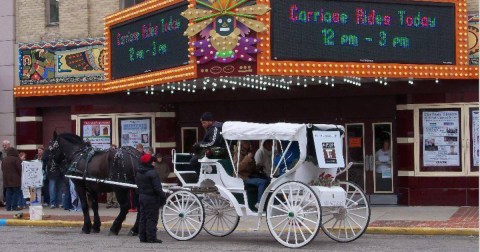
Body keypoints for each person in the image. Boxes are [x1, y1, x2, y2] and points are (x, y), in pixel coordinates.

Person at [135, 153, 166, 243]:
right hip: (151, 198)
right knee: (151, 218)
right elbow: (158, 188)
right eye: (153, 161)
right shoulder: (152, 173)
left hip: (142, 196)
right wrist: (163, 197)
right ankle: (151, 237)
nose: (154, 163)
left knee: (143, 217)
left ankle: (142, 237)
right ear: (149, 163)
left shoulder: (139, 172)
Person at [234, 141, 269, 210]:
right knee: (262, 182)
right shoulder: (237, 153)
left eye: (248, 143)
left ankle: (267, 201)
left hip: (250, 175)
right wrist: (247, 158)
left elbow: (252, 168)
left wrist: (256, 166)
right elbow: (237, 168)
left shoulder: (248, 152)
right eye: (246, 143)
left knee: (268, 178)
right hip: (242, 177)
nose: (248, 144)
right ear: (242, 144)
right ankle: (259, 203)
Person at [2, 147, 22, 211]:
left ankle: (8, 207)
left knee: (8, 193)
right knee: (15, 193)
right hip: (15, 180)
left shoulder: (4, 159)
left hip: (6, 179)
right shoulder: (16, 159)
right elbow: (20, 169)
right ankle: (14, 207)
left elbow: (2, 169)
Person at [0, 140, 11, 207]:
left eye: (5, 145)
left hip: (11, 172)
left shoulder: (13, 151)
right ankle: (4, 200)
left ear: (9, 145)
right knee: (4, 187)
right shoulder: (1, 152)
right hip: (3, 172)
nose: (4, 146)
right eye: (3, 145)